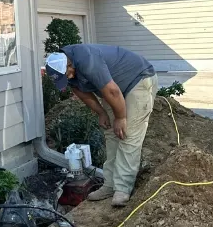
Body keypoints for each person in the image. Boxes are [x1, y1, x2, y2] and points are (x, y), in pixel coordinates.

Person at [45, 44, 158, 207]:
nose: (68, 78)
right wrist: (101, 112)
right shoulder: (65, 67)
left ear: (70, 64)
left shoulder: (87, 60)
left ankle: (123, 188)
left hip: (137, 81)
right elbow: (80, 91)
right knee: (111, 134)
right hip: (113, 89)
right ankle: (110, 185)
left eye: (67, 74)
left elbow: (112, 92)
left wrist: (121, 117)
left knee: (128, 134)